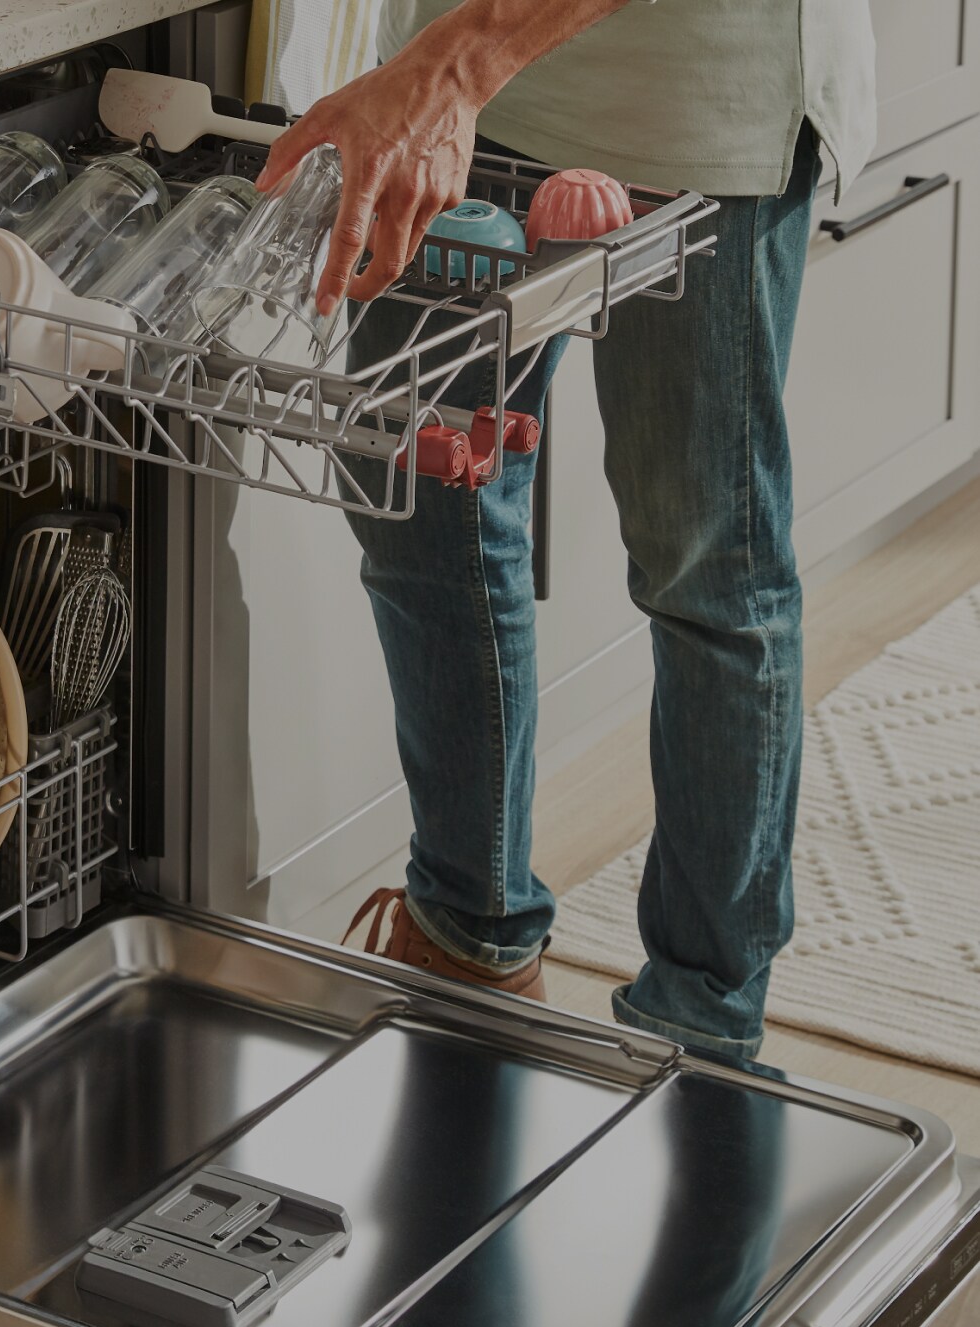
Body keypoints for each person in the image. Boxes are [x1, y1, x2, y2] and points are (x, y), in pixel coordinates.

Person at [255, 0, 876, 1061]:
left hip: (691, 108)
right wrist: (442, 71)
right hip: (464, 89)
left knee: (704, 568)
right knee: (417, 498)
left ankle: (700, 1025)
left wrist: (449, 69)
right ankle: (468, 932)